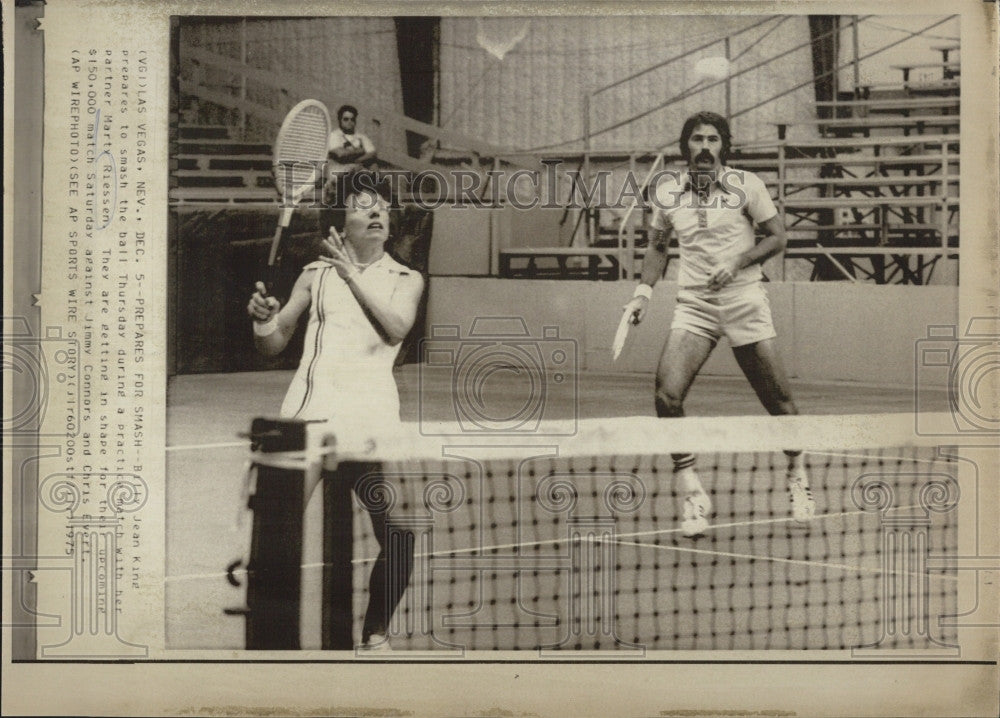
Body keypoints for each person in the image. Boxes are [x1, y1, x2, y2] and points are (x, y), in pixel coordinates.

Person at [622, 111, 815, 538]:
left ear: (723, 147)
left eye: (713, 139)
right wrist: (643, 293)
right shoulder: (668, 191)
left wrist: (739, 261)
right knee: (666, 396)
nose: (705, 147)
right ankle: (692, 493)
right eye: (697, 139)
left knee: (780, 403)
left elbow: (779, 237)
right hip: (695, 306)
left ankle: (797, 473)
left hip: (745, 301)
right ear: (685, 146)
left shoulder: (748, 186)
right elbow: (657, 247)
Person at [247, 185, 424, 648]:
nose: (377, 213)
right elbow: (273, 343)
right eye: (364, 206)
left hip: (371, 425)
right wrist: (263, 319)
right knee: (277, 535)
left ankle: (375, 634)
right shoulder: (314, 275)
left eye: (383, 207)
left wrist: (352, 276)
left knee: (400, 535)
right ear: (340, 222)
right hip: (310, 420)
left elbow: (396, 329)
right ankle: (273, 646)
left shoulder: (407, 278)